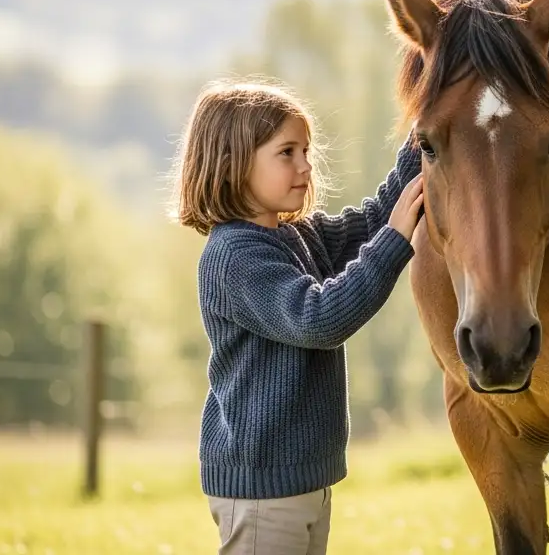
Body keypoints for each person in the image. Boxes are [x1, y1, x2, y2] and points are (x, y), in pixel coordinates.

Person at [169, 77, 423, 554]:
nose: (306, 166)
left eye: (306, 151)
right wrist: (395, 242)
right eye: (287, 152)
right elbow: (318, 318)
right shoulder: (235, 257)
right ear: (232, 164)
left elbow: (372, 221)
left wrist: (425, 129)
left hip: (302, 482)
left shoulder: (295, 236)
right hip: (262, 491)